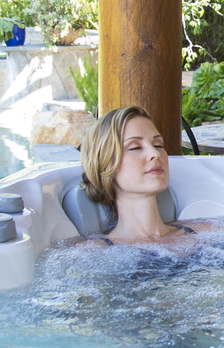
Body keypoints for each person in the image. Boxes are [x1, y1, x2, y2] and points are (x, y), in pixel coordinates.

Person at [61, 106, 214, 248]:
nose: (155, 154)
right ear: (105, 165)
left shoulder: (208, 233)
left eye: (158, 145)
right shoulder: (93, 252)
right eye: (135, 147)